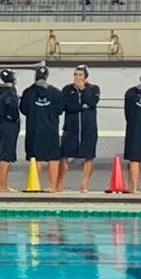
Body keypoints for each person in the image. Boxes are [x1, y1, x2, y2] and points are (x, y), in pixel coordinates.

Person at [57, 65, 100, 193]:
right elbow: (66, 107)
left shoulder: (93, 89)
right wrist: (82, 107)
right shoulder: (67, 89)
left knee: (89, 156)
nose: (77, 77)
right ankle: (60, 184)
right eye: (75, 75)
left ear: (85, 77)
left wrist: (83, 89)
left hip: (88, 129)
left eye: (80, 75)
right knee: (64, 155)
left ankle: (84, 185)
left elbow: (92, 102)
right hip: (71, 129)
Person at [21, 66, 63, 193]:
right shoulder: (56, 93)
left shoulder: (28, 92)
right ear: (47, 77)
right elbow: (60, 110)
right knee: (53, 158)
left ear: (36, 76)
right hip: (51, 130)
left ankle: (35, 185)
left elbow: (23, 109)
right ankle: (52, 186)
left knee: (36, 158)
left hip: (34, 129)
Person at [0, 69, 21, 192]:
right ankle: (3, 186)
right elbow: (13, 109)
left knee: (0, 156)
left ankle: (0, 185)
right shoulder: (10, 93)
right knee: (6, 156)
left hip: (0, 125)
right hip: (9, 126)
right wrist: (15, 118)